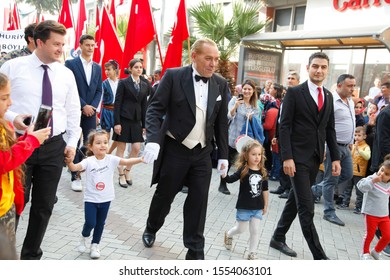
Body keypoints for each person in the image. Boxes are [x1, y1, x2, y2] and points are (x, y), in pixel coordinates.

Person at [141, 38, 229, 260]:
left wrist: (224, 157)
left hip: (202, 152)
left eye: (216, 59)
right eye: (208, 58)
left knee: (198, 202)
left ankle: (195, 251)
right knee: (164, 196)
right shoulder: (173, 75)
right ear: (194, 56)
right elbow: (154, 110)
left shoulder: (220, 83)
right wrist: (152, 139)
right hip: (175, 150)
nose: (213, 64)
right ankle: (152, 227)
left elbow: (220, 123)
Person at [0, 20, 82, 260]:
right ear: (39, 42)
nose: (60, 49)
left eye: (62, 44)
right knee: (14, 204)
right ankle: (6, 256)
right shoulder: (13, 67)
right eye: (55, 44)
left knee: (44, 206)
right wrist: (15, 118)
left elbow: (73, 111)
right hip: (19, 145)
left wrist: (71, 143)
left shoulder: (66, 74)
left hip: (53, 146)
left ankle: (31, 256)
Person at [269, 52, 341, 260]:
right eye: (315, 66)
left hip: (315, 159)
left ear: (327, 70)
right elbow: (284, 126)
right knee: (306, 207)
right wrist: (287, 157)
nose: (319, 70)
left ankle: (277, 236)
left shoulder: (328, 95)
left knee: (295, 199)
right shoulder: (294, 93)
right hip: (296, 159)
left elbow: (329, 129)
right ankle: (319, 256)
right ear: (308, 68)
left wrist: (334, 158)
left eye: (323, 67)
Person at [66, 129, 143, 259]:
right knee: (90, 223)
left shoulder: (111, 159)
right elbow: (74, 168)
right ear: (90, 146)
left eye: (105, 142)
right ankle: (84, 237)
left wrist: (141, 159)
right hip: (91, 199)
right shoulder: (88, 161)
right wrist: (69, 162)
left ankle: (95, 245)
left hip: (106, 198)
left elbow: (127, 161)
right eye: (98, 143)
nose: (103, 145)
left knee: (100, 223)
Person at [0, 73, 50, 257]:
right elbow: (4, 161)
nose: (10, 103)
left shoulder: (6, 125)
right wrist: (31, 141)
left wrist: (27, 136)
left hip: (7, 205)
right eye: (4, 98)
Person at [311, 74, 356, 227]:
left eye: (353, 85)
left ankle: (314, 190)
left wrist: (351, 141)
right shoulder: (331, 101)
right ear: (339, 85)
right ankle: (329, 212)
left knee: (347, 174)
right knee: (331, 180)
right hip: (333, 146)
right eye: (349, 86)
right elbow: (324, 127)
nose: (352, 89)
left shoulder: (350, 101)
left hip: (346, 147)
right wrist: (323, 146)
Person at [65, 34, 102, 192]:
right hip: (74, 109)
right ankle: (75, 175)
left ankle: (76, 170)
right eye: (87, 45)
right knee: (73, 141)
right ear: (80, 46)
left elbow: (99, 90)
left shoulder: (97, 67)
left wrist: (92, 106)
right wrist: (83, 105)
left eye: (93, 45)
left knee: (88, 143)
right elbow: (68, 86)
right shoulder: (71, 64)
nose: (90, 48)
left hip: (90, 112)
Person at [222, 140, 269, 260]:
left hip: (257, 207)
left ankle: (252, 252)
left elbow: (265, 189)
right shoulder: (243, 169)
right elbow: (230, 179)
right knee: (241, 229)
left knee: (255, 230)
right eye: (253, 154)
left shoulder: (263, 171)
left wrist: (265, 205)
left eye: (259, 154)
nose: (257, 157)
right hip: (244, 206)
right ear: (246, 155)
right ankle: (229, 234)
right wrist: (223, 174)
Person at [218, 79, 261, 195]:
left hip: (246, 141)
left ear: (253, 91)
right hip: (233, 137)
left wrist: (252, 118)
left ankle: (246, 186)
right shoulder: (234, 100)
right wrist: (236, 106)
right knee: (227, 161)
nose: (247, 91)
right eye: (245, 89)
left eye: (249, 89)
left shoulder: (255, 107)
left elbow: (258, 123)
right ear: (242, 89)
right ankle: (223, 183)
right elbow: (229, 116)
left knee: (245, 164)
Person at [113, 58, 150, 188]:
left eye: (140, 67)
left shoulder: (145, 84)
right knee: (121, 148)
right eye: (136, 67)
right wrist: (116, 123)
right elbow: (117, 103)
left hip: (136, 120)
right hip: (123, 119)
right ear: (130, 69)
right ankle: (120, 174)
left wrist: (145, 125)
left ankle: (128, 171)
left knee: (136, 148)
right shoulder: (123, 82)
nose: (139, 69)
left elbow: (145, 105)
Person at [270, 71, 300, 199]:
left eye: (292, 78)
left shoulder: (300, 96)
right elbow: (281, 119)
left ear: (298, 81)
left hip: (292, 136)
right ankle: (282, 186)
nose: (290, 80)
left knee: (289, 162)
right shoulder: (285, 95)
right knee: (282, 160)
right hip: (281, 135)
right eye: (288, 78)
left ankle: (289, 189)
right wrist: (276, 135)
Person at [357, 156, 390, 260]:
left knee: (388, 235)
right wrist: (372, 182)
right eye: (382, 170)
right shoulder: (372, 178)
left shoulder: (388, 185)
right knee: (369, 235)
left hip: (384, 215)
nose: (382, 174)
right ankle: (364, 253)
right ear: (379, 168)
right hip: (371, 213)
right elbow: (360, 186)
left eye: (387, 174)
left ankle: (376, 251)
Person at [337, 126, 370, 213]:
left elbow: (367, 156)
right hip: (351, 170)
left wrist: (360, 150)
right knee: (347, 188)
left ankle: (358, 206)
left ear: (364, 136)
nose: (357, 137)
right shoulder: (353, 145)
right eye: (355, 135)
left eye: (359, 135)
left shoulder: (365, 147)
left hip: (359, 173)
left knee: (359, 190)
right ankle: (345, 203)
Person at [263, 83, 283, 181]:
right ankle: (274, 173)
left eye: (271, 88)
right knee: (275, 155)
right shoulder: (275, 107)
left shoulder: (273, 109)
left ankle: (275, 174)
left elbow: (268, 125)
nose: (269, 89)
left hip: (275, 135)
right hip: (275, 135)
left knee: (276, 155)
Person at [100, 60, 119, 155]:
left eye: (109, 69)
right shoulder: (104, 84)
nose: (106, 72)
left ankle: (109, 152)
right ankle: (104, 154)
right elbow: (99, 99)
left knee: (119, 136)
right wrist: (96, 114)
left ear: (115, 70)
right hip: (106, 110)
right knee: (105, 135)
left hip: (117, 112)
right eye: (105, 70)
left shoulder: (121, 83)